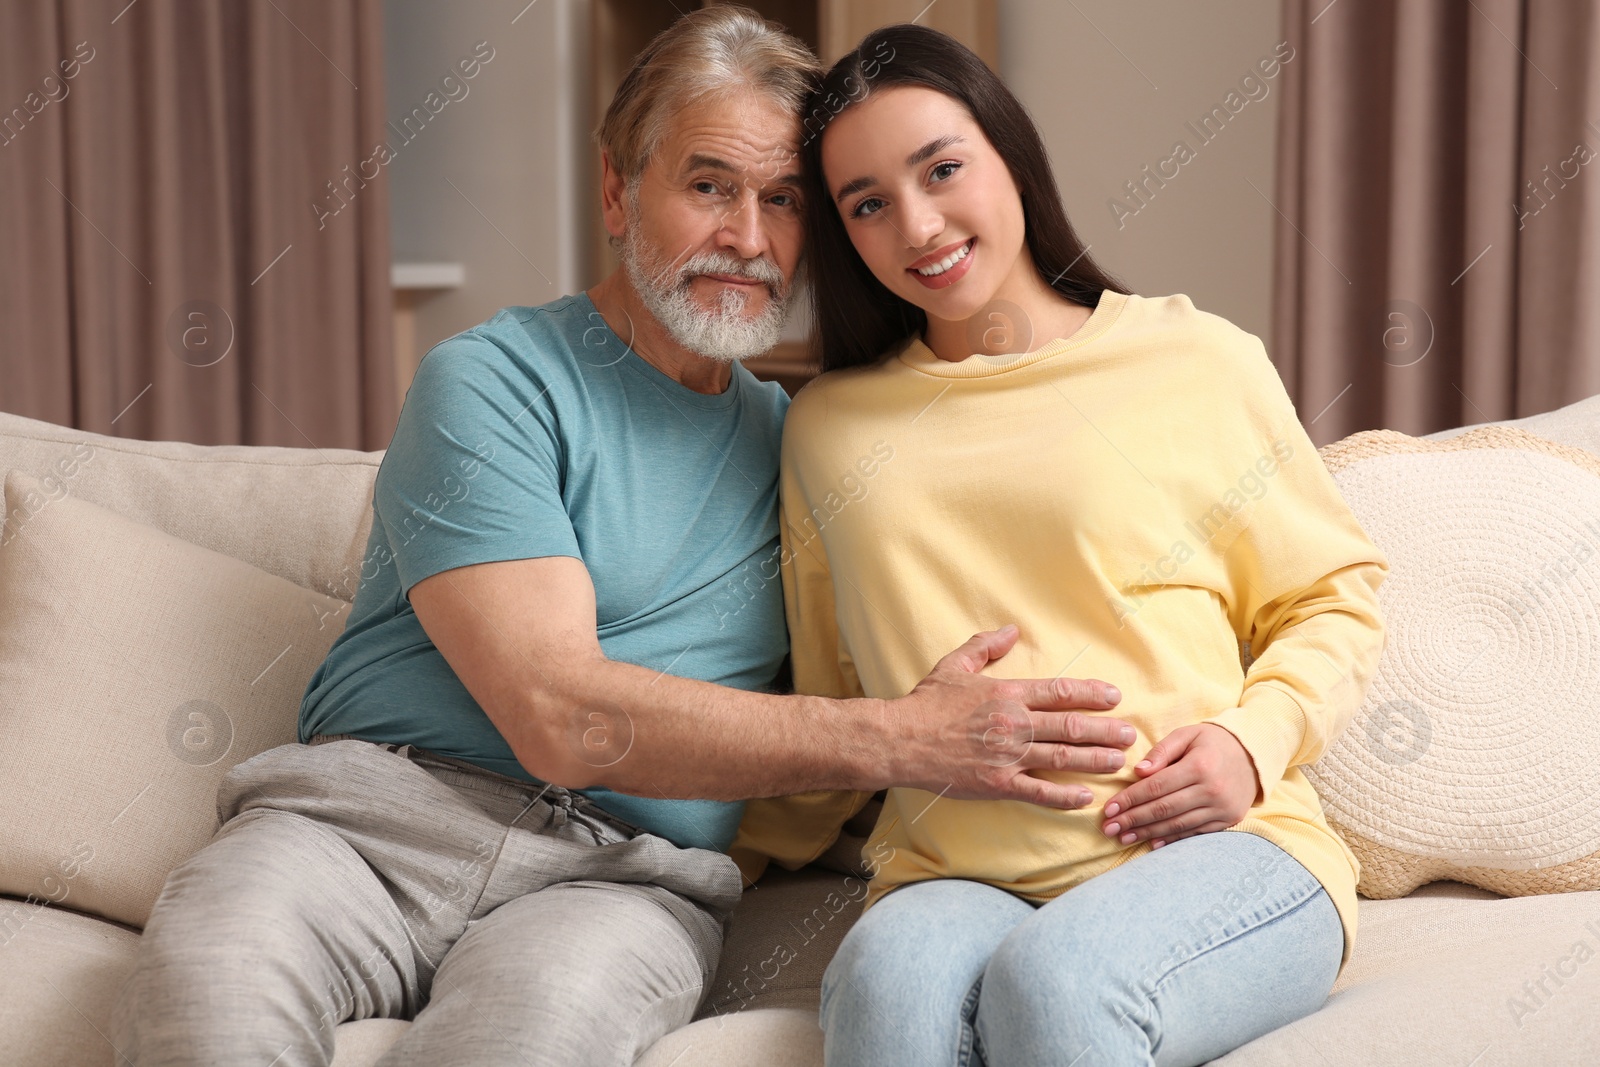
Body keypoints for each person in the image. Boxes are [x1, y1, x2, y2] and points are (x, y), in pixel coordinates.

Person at [109, 9, 1141, 1067]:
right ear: (616, 190)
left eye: (784, 200)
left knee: (525, 1042)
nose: (748, 236)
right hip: (367, 826)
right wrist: (902, 734)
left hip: (619, 878)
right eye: (708, 187)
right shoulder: (495, 381)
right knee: (207, 996)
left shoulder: (818, 452)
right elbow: (558, 714)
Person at [731, 24, 1390, 1067]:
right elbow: (831, 692)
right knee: (884, 988)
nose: (918, 222)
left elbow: (1332, 596)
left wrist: (1248, 742)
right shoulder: (826, 430)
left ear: (1009, 154)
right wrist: (696, 857)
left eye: (942, 168)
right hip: (954, 871)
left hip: (1221, 850)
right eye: (865, 203)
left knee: (1056, 980)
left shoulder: (1194, 361)